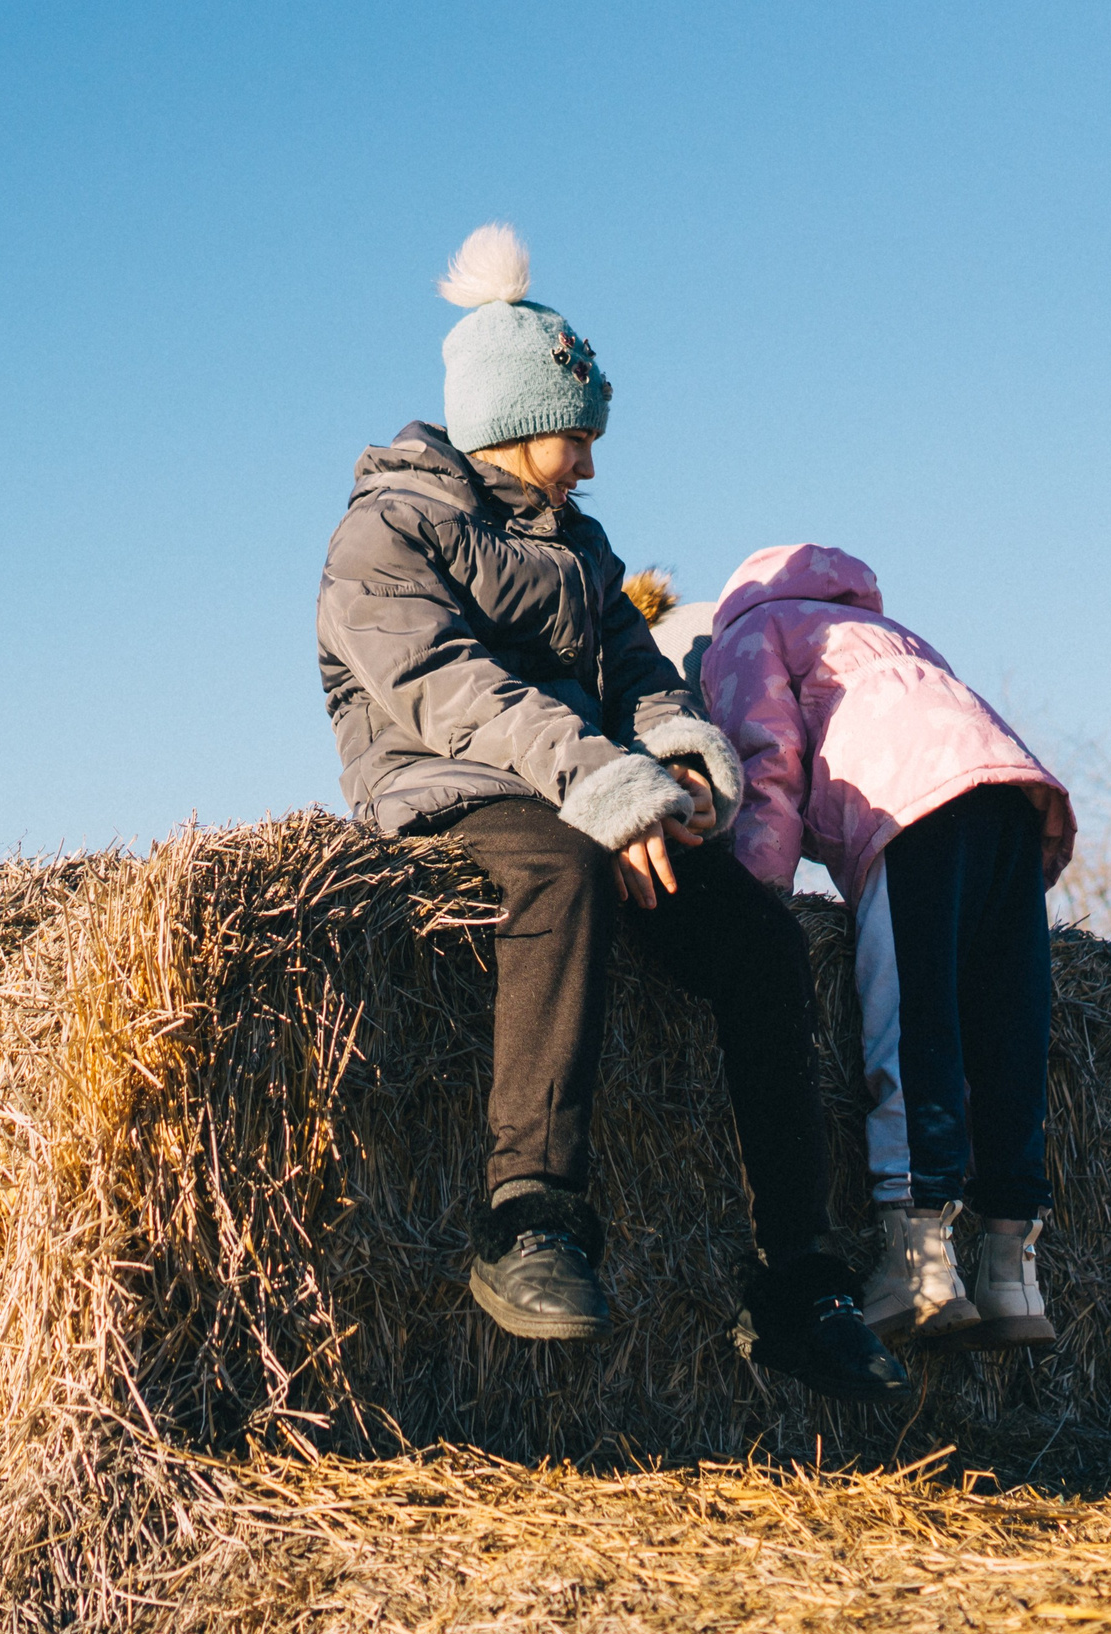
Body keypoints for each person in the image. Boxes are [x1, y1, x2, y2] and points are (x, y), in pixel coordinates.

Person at [315, 227, 906, 1399]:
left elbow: (639, 676)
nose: (587, 462)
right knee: (564, 874)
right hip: (449, 783)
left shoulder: (579, 545)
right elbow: (444, 687)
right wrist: (598, 784)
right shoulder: (384, 531)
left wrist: (680, 760)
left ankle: (799, 1280)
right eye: (573, 434)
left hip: (587, 788)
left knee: (762, 942)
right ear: (507, 419)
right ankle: (527, 1219)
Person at [696, 543, 1076, 1349]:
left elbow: (769, 760)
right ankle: (1013, 1274)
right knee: (1011, 1032)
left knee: (915, 1018)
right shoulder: (887, 631)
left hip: (912, 808)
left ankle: (921, 1264)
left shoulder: (747, 633)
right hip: (1014, 796)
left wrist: (757, 892)